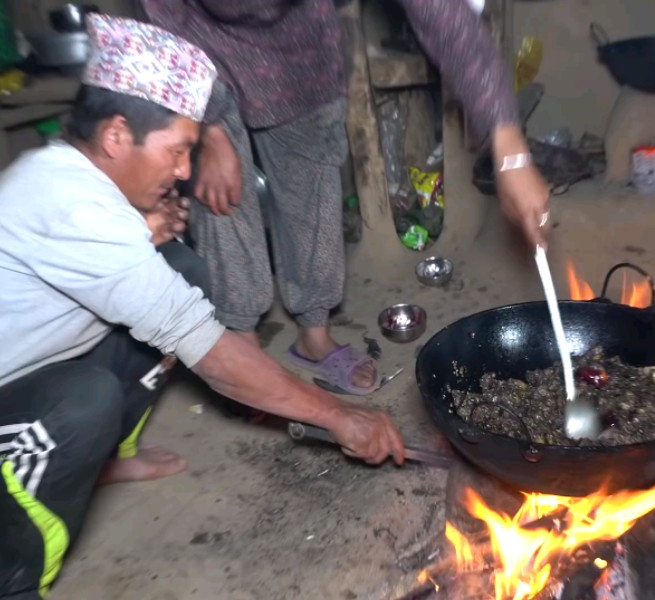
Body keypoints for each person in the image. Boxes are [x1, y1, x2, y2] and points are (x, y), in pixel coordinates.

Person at [0, 14, 404, 600]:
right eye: (179, 150)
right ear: (116, 136)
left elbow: (145, 288)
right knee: (83, 402)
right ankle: (8, 588)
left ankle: (109, 457)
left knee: (181, 270)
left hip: (0, 398)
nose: (184, 172)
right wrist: (338, 416)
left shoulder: (71, 181)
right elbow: (210, 353)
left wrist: (143, 235)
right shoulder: (71, 209)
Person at [136, 0, 552, 396]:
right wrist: (207, 128)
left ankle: (314, 335)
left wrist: (508, 143)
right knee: (222, 194)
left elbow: (443, 12)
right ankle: (242, 341)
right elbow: (167, 16)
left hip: (301, 52)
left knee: (313, 182)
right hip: (202, 57)